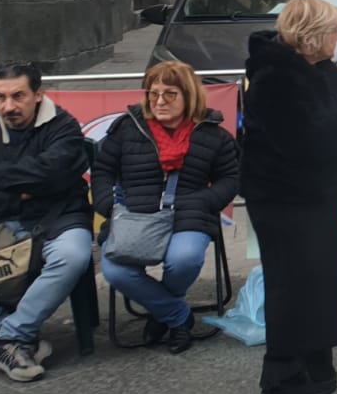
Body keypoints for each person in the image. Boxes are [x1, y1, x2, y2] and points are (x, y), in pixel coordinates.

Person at [241, 0, 337, 394]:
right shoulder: (276, 76)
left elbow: (326, 131)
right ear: (313, 35)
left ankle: (317, 361)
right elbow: (304, 140)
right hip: (284, 199)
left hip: (318, 194)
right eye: (334, 29)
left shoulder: (323, 70)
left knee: (320, 280)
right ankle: (283, 374)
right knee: (293, 283)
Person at [0, 62, 93, 381]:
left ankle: (9, 338)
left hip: (58, 217)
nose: (8, 106)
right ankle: (8, 335)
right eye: (0, 97)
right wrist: (15, 196)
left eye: (18, 96)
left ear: (38, 95)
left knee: (74, 256)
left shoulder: (63, 127)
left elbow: (53, 174)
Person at [93, 61, 240, 353]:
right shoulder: (127, 128)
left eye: (170, 94)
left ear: (189, 95)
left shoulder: (212, 134)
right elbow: (102, 171)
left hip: (190, 213)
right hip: (135, 214)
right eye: (153, 93)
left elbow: (231, 178)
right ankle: (177, 316)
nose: (159, 101)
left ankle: (163, 313)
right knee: (116, 270)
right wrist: (108, 206)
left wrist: (206, 202)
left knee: (183, 258)